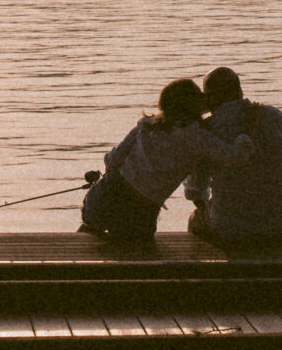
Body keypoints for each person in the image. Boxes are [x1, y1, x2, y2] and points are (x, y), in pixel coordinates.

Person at [80, 78, 254, 244]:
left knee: (92, 231)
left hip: (104, 197)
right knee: (135, 249)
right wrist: (248, 129)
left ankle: (80, 248)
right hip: (139, 212)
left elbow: (112, 160)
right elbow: (234, 156)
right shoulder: (195, 135)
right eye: (199, 95)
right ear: (191, 103)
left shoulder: (147, 124)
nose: (205, 97)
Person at [184, 66, 282, 245]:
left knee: (196, 220)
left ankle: (205, 270)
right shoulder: (275, 117)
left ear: (210, 98)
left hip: (230, 229)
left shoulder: (207, 130)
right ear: (240, 91)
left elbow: (196, 191)